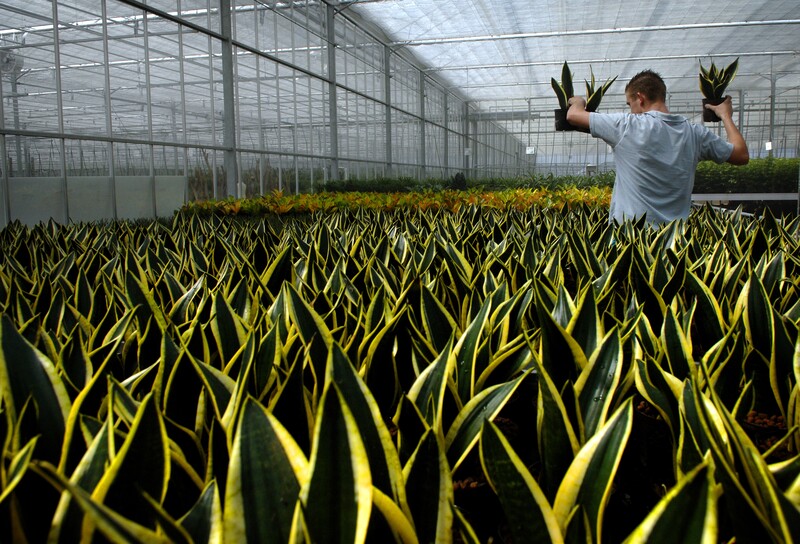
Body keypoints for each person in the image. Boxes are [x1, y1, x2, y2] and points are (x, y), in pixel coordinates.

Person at [566, 69, 749, 225]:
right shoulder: (695, 134)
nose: (631, 110)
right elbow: (741, 155)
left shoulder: (627, 125)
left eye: (630, 104)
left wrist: (579, 102)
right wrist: (726, 116)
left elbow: (573, 116)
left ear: (640, 98)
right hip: (674, 243)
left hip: (630, 243)